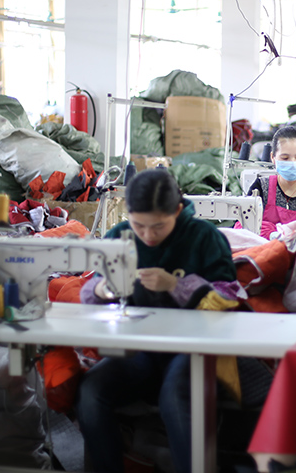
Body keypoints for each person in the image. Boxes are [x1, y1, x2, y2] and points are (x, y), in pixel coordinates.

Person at [75, 169, 236, 473]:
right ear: (129, 214)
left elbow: (229, 297)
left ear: (177, 210)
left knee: (174, 397)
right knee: (91, 392)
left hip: (191, 348)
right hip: (139, 348)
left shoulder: (205, 237)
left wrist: (177, 285)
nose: (148, 236)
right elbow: (90, 291)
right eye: (139, 225)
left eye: (158, 226)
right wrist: (102, 289)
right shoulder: (119, 236)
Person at [248, 126, 296, 239]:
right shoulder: (262, 187)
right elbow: (243, 225)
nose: (293, 163)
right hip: (269, 248)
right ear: (273, 157)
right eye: (285, 158)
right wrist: (270, 234)